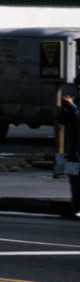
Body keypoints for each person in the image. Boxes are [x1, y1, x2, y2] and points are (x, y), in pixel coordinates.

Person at [59, 75, 80, 218]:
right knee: (74, 181)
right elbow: (63, 121)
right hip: (74, 148)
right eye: (78, 88)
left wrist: (72, 106)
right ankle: (75, 207)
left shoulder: (75, 105)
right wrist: (66, 108)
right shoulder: (76, 102)